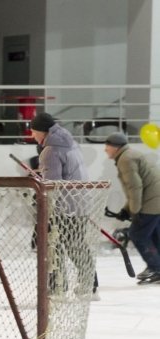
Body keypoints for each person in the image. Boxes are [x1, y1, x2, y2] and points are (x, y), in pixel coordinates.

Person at [30, 112, 99, 297]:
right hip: (80, 203)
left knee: (54, 246)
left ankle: (57, 287)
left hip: (63, 208)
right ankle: (89, 284)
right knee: (76, 245)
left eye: (34, 132)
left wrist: (39, 191)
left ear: (42, 131)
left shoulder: (50, 151)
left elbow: (52, 186)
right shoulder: (71, 143)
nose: (32, 136)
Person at [104, 132, 160, 284]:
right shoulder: (129, 155)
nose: (105, 149)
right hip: (155, 201)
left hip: (151, 202)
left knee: (137, 234)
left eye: (107, 146)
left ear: (115, 147)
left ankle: (156, 268)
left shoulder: (126, 159)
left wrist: (134, 211)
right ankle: (157, 267)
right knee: (154, 235)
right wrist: (126, 210)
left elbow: (135, 187)